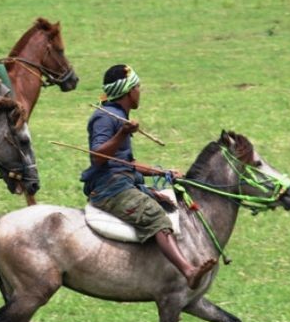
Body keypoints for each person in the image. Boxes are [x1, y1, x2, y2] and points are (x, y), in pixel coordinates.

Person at [80, 65, 217, 290]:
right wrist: (122, 133)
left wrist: (162, 173)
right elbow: (97, 157)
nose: (140, 91)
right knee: (156, 217)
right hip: (110, 189)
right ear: (128, 91)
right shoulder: (106, 118)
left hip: (124, 182)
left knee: (169, 204)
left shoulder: (119, 115)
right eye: (137, 86)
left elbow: (127, 164)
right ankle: (188, 271)